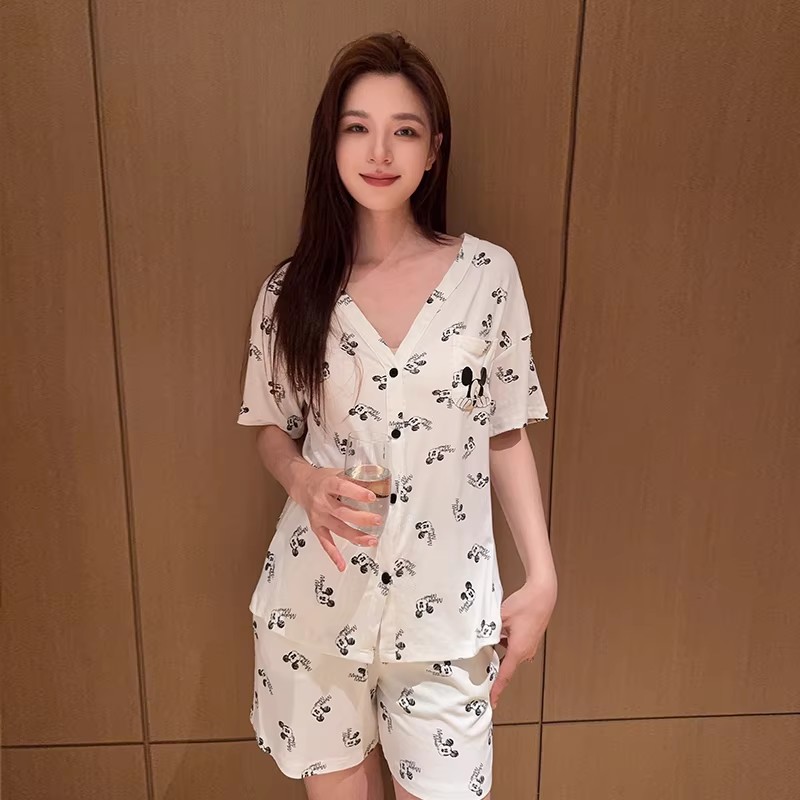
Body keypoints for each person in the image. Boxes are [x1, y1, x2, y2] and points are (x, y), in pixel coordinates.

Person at [238, 31, 558, 800]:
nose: (380, 151)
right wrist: (304, 481)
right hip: (316, 616)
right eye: (358, 127)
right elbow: (270, 427)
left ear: (434, 149)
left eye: (404, 130)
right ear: (332, 142)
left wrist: (542, 577)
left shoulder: (487, 277)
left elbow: (505, 429)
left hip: (445, 616)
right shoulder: (291, 291)